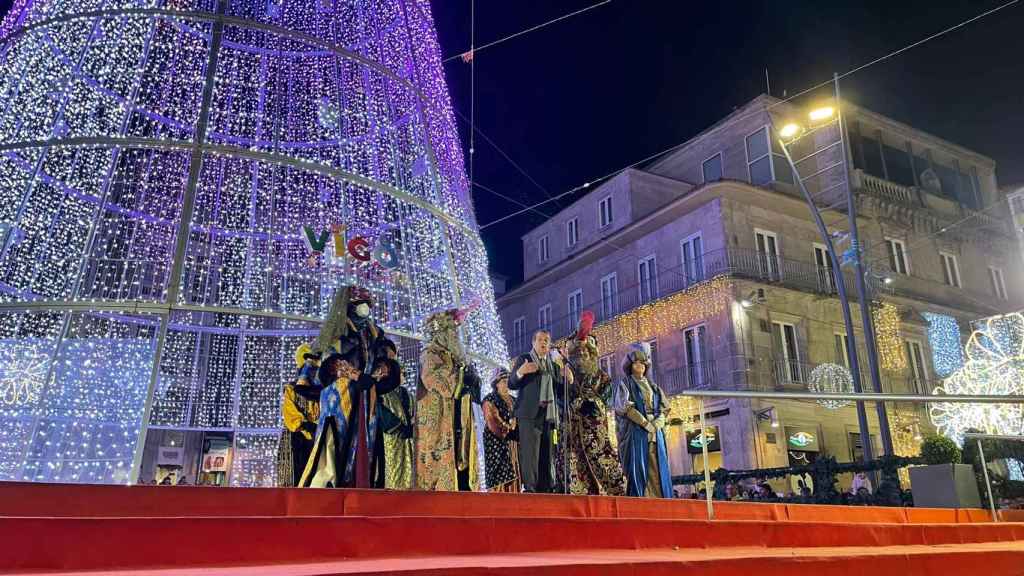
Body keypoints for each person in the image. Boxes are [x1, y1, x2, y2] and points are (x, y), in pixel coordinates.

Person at [309, 285, 394, 488]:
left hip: (366, 393)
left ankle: (361, 481)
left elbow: (386, 358)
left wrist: (376, 375)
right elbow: (331, 360)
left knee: (366, 437)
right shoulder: (338, 331)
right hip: (341, 393)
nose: (365, 309)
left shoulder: (373, 333)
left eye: (367, 305)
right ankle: (330, 483)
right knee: (337, 436)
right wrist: (356, 375)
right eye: (360, 304)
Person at [299, 345, 391, 488]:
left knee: (345, 450)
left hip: (353, 409)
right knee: (332, 448)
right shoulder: (335, 379)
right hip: (336, 411)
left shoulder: (372, 341)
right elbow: (303, 387)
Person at [416, 307, 483, 491]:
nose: (455, 336)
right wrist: (460, 374)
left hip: (459, 415)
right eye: (451, 331)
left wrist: (472, 378)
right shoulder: (430, 354)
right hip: (440, 418)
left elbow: (471, 386)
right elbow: (435, 381)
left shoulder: (456, 356)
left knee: (462, 455)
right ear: (441, 333)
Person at [509, 330, 570, 493]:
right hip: (529, 414)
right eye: (541, 340)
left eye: (547, 340)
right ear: (533, 343)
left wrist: (566, 376)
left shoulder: (553, 364)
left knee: (547, 451)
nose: (544, 343)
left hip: (549, 415)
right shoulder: (525, 359)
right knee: (530, 453)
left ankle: (546, 487)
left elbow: (560, 389)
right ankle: (530, 488)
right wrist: (521, 372)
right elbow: (511, 383)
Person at [564, 335, 626, 496]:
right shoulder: (567, 374)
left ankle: (615, 492)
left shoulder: (602, 376)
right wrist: (578, 403)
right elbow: (563, 397)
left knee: (605, 462)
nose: (583, 354)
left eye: (586, 351)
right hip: (574, 428)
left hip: (597, 429)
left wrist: (593, 403)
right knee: (575, 464)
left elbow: (606, 396)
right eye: (579, 352)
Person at [613, 342, 672, 498]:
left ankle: (660, 497)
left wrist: (658, 422)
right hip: (637, 432)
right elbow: (624, 407)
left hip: (656, 431)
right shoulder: (626, 384)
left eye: (643, 363)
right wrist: (645, 423)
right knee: (640, 466)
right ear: (630, 365)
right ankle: (643, 498)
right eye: (636, 362)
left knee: (658, 464)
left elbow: (665, 408)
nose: (640, 365)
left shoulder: (653, 386)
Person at [277, 342, 322, 487]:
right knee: (295, 475)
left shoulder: (320, 390)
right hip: (296, 438)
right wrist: (304, 424)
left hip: (317, 436)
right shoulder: (291, 389)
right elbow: (290, 413)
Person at [372, 339, 413, 490]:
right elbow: (376, 409)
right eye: (388, 356)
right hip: (384, 437)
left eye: (393, 356)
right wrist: (397, 427)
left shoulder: (402, 392)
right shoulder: (375, 384)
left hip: (404, 440)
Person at [483, 368, 521, 493]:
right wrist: (508, 427)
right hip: (497, 446)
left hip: (513, 446)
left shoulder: (514, 400)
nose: (506, 384)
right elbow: (492, 422)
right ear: (496, 383)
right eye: (503, 381)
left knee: (515, 475)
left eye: (508, 381)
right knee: (499, 480)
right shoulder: (489, 400)